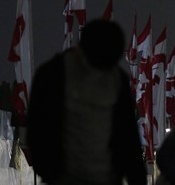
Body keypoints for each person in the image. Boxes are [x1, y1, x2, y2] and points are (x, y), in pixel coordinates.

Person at [27, 19, 146, 185]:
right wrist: (50, 171)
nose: (101, 73)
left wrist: (137, 178)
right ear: (81, 51)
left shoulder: (117, 80)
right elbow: (37, 130)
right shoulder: (52, 76)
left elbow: (128, 138)